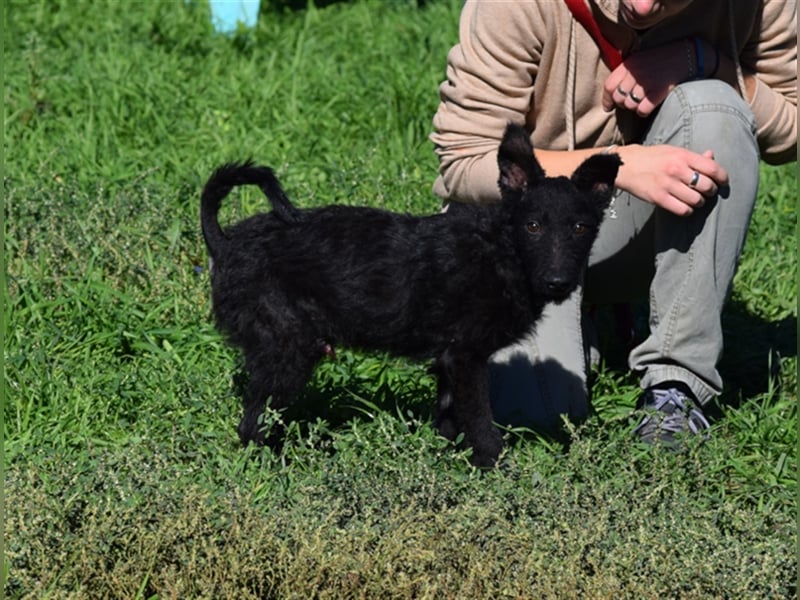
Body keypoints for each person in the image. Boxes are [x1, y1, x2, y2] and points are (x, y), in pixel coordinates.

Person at [430, 0, 797, 445]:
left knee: (714, 106)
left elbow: (791, 128)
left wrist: (705, 62)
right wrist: (619, 165)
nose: (641, 5)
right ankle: (570, 322)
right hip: (521, 238)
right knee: (537, 416)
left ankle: (675, 389)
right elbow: (465, 160)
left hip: (635, 225)